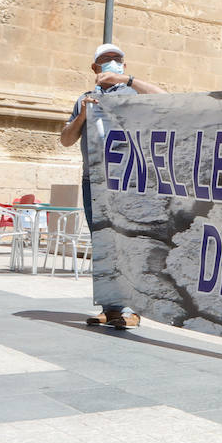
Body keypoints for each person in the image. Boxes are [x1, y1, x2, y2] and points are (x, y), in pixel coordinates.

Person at [60, 43, 164, 329]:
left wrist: (124, 81)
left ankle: (133, 307)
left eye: (117, 60)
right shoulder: (84, 98)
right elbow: (66, 139)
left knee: (128, 242)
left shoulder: (133, 94)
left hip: (127, 181)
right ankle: (111, 308)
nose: (111, 64)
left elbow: (166, 99)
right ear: (94, 68)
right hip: (93, 181)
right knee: (103, 244)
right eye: (105, 61)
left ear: (124, 66)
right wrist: (82, 115)